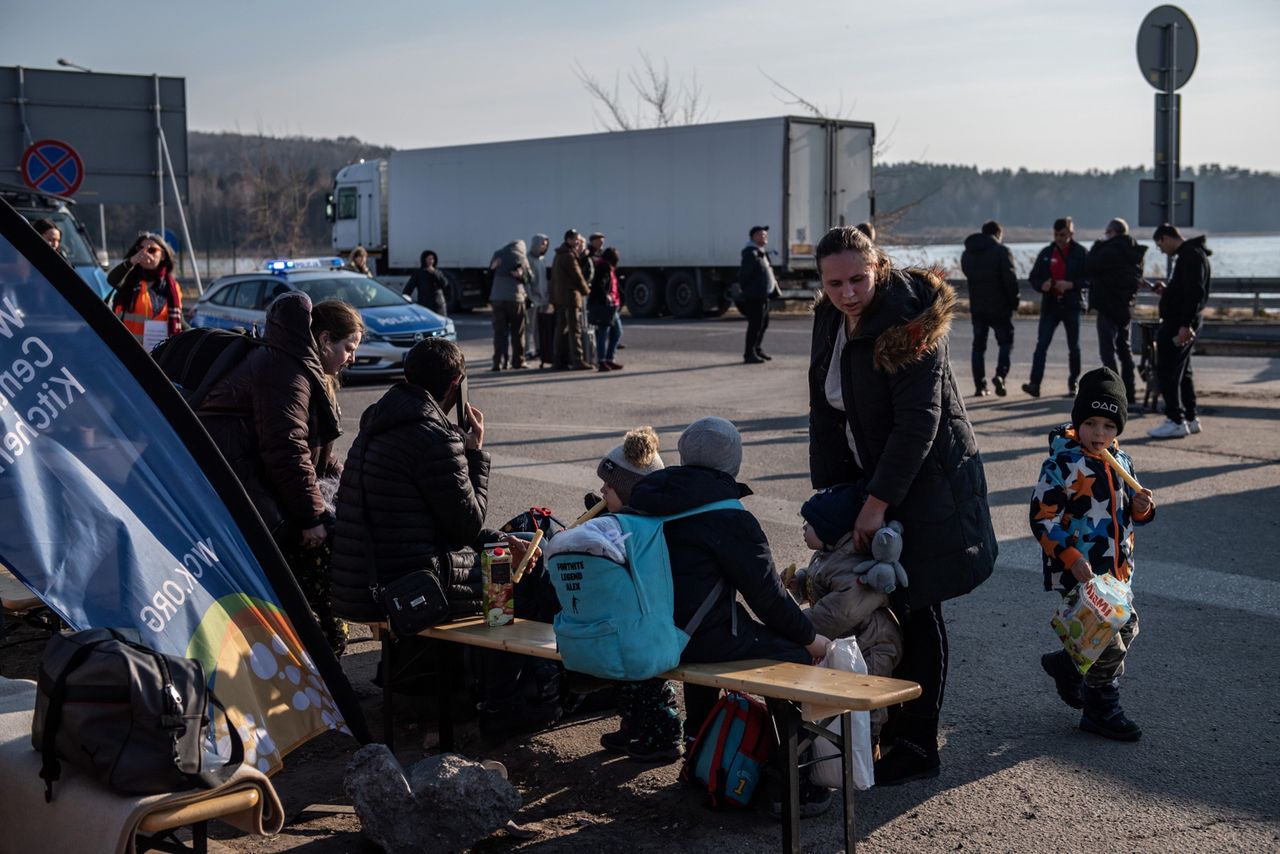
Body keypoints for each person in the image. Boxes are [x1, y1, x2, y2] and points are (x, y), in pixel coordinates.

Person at [808, 225, 996, 785]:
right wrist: (833, 500)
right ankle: (892, 730)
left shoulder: (910, 320)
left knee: (917, 603)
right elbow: (826, 407)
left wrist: (874, 504)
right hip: (871, 476)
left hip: (927, 481)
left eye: (857, 279)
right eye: (833, 283)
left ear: (879, 268)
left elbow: (919, 424)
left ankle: (918, 745)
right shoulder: (830, 315)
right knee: (884, 603)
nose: (846, 293)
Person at [328, 338, 543, 731]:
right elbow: (466, 524)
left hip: (359, 582)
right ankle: (501, 704)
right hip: (407, 589)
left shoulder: (377, 423)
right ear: (456, 384)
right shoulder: (435, 436)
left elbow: (440, 520)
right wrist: (474, 452)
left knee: (501, 552)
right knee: (513, 579)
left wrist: (498, 538)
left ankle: (431, 692)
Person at [626, 417, 833, 808]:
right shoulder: (729, 515)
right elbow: (768, 599)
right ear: (733, 463)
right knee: (790, 656)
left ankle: (700, 753)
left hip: (653, 632)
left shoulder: (647, 498)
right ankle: (793, 780)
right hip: (698, 639)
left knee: (702, 632)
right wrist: (810, 639)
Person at [197, 294, 363, 656]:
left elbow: (314, 454)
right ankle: (320, 655)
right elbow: (286, 450)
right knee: (318, 553)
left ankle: (317, 649)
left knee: (315, 563)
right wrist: (311, 517)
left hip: (260, 484)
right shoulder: (286, 371)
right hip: (244, 489)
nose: (352, 358)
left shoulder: (295, 366)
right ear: (323, 340)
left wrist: (348, 477)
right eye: (348, 347)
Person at [1031, 367, 1156, 741]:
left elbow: (1132, 517)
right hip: (1080, 571)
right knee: (1107, 645)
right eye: (1091, 423)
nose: (1099, 434)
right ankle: (1101, 707)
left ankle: (1068, 667)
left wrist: (1142, 508)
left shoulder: (1123, 462)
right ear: (1077, 422)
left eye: (1108, 426)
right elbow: (1042, 519)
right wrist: (1070, 557)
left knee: (1126, 627)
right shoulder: (1063, 465)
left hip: (1117, 571)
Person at [785, 483, 903, 744]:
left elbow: (838, 612)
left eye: (811, 523)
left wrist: (796, 628)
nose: (804, 527)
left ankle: (868, 747)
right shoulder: (827, 554)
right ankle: (842, 746)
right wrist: (799, 583)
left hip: (873, 643)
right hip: (849, 641)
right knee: (840, 696)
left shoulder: (853, 568)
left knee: (867, 698)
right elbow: (818, 581)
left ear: (831, 529)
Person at [591, 426, 683, 761]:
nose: (602, 489)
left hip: (653, 624)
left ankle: (664, 734)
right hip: (630, 621)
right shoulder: (624, 518)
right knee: (627, 676)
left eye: (610, 486)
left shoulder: (644, 528)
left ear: (631, 492)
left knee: (648, 680)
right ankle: (634, 724)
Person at [1148, 224, 1211, 439]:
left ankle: (1175, 419)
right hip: (1183, 319)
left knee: (1168, 369)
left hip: (1179, 322)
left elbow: (1195, 292)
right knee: (1184, 371)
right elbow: (1187, 289)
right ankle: (1191, 417)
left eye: (1160, 245)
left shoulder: (1189, 256)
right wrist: (1168, 292)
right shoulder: (1192, 254)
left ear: (1166, 238)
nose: (1161, 250)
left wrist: (1186, 324)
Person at [1022, 217, 1088, 398]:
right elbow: (1033, 277)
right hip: (1050, 305)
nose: (1059, 238)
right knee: (1041, 345)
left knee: (1073, 347)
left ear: (1071, 233)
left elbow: (1090, 279)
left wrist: (1071, 284)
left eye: (1063, 234)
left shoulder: (1081, 253)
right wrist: (1042, 285)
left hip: (1072, 305)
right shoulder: (1047, 252)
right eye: (1056, 234)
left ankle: (1073, 383)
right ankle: (1034, 384)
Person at [1086, 218, 1146, 406]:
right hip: (1125, 306)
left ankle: (1115, 392)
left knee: (1107, 352)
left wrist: (1097, 245)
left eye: (1106, 233)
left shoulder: (1109, 249)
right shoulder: (1134, 251)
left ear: (1113, 232)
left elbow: (1090, 265)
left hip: (1107, 305)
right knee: (1124, 350)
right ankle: (1130, 391)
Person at [960, 220, 1020, 397]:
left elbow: (967, 273)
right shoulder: (1002, 251)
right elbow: (1010, 280)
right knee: (1005, 342)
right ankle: (1000, 375)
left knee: (978, 346)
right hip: (1000, 307)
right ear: (998, 234)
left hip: (978, 306)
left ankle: (980, 386)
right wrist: (1014, 301)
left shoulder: (968, 253)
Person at [108, 232, 183, 346]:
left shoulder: (172, 287)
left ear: (163, 255)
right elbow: (112, 280)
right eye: (141, 249)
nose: (145, 253)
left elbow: (179, 320)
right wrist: (131, 261)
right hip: (127, 350)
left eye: (152, 250)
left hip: (159, 354)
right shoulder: (129, 279)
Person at [550, 229, 592, 370]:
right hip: (571, 297)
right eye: (576, 239)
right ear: (568, 240)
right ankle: (578, 360)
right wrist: (586, 290)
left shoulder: (559, 255)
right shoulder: (569, 256)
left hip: (561, 297)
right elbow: (577, 276)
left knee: (560, 329)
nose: (578, 242)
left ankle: (558, 360)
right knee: (575, 329)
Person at [488, 239, 531, 371]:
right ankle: (518, 361)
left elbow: (490, 274)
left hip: (498, 298)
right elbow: (529, 278)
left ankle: (499, 362)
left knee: (500, 332)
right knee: (517, 332)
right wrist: (520, 276)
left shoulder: (498, 254)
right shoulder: (521, 257)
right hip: (515, 298)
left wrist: (493, 269)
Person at [739, 225, 778, 364]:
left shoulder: (761, 252)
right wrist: (751, 292)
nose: (764, 237)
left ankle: (757, 349)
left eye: (765, 235)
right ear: (754, 237)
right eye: (761, 235)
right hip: (755, 297)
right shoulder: (750, 253)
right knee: (755, 325)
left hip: (763, 295)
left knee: (763, 323)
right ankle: (749, 354)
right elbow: (744, 276)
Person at [588, 246, 624, 371]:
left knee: (616, 331)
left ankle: (609, 358)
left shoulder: (608, 268)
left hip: (613, 304)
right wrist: (606, 298)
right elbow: (599, 286)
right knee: (604, 332)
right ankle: (602, 360)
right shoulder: (603, 268)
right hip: (606, 306)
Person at [524, 233, 551, 365]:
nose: (543, 247)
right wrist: (530, 297)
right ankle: (527, 351)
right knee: (530, 326)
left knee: (540, 327)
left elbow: (544, 281)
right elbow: (527, 281)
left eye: (545, 245)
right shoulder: (528, 259)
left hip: (543, 299)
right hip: (533, 299)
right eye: (542, 244)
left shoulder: (542, 260)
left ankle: (539, 349)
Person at [403, 249, 449, 316]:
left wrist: (434, 273)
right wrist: (405, 301)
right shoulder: (418, 273)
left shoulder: (437, 271)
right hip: (424, 306)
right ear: (424, 260)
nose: (431, 261)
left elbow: (445, 284)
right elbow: (408, 289)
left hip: (438, 306)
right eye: (429, 259)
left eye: (432, 259)